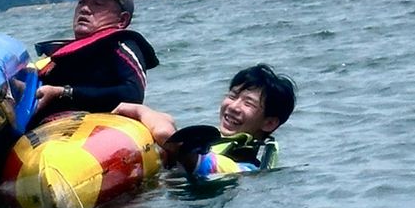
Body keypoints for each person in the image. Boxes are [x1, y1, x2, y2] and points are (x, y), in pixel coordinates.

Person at [116, 63, 296, 177]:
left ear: (269, 123)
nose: (234, 106)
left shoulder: (244, 171)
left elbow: (172, 141)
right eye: (232, 96)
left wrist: (142, 111)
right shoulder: (214, 145)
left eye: (248, 103)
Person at [31, 0, 159, 122]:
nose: (85, 9)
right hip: (46, 128)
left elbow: (133, 95)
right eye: (82, 2)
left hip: (95, 125)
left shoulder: (121, 44)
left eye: (98, 4)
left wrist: (64, 92)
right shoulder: (60, 56)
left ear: (122, 20)